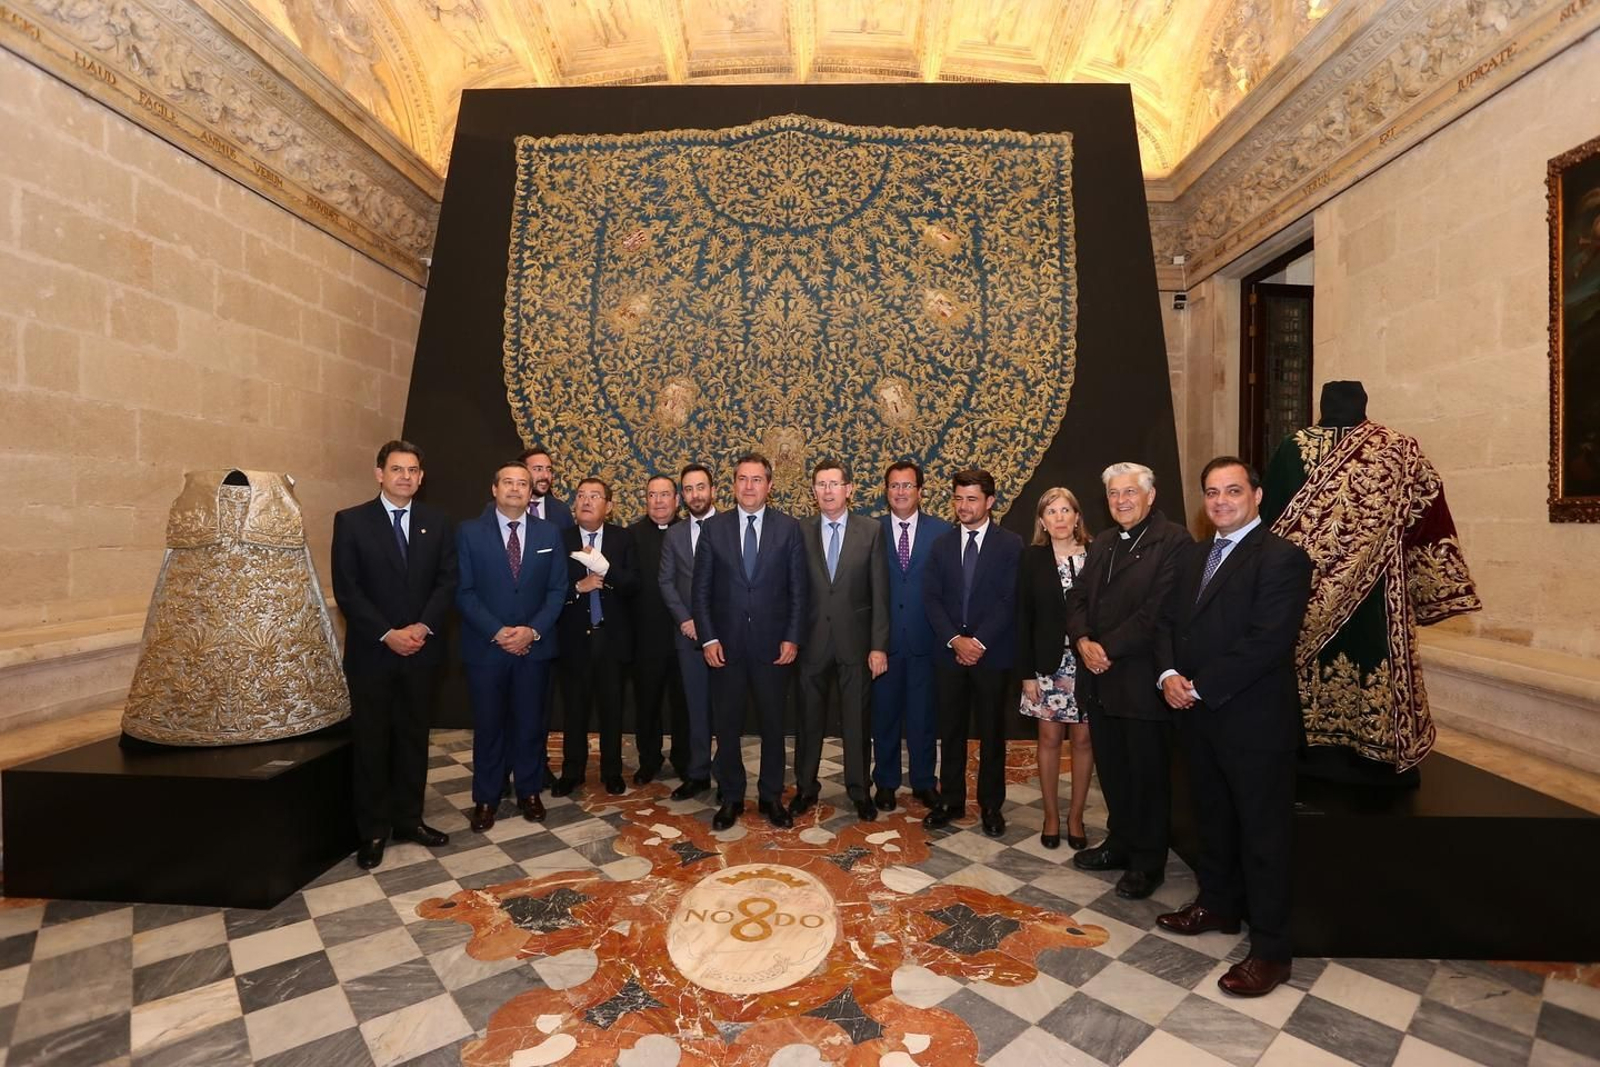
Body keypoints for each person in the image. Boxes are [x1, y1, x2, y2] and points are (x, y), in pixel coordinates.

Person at [1262, 381, 1480, 780]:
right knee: (1374, 656)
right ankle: (1376, 745)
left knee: (1302, 664)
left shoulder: (1292, 447)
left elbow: (1271, 520)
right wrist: (1436, 586)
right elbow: (1429, 518)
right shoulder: (1401, 448)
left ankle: (1309, 747)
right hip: (1380, 591)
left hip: (1304, 592)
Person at [1155, 456, 1312, 998]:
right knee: (1213, 821)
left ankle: (1271, 951)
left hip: (1253, 722)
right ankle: (1218, 905)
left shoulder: (1282, 558)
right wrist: (1168, 674)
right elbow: (1168, 623)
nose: (1221, 501)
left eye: (1233, 491)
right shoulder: (1194, 555)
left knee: (1263, 836)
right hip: (1197, 718)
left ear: (1257, 495)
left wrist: (1199, 685)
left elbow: (1267, 642)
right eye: (1212, 492)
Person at [1065, 462, 1192, 899]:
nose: (1120, 501)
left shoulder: (1173, 541)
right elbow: (1077, 597)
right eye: (1114, 494)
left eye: (1130, 492)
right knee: (1114, 771)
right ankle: (1119, 843)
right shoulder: (1103, 541)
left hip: (1141, 681)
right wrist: (1082, 639)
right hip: (1100, 681)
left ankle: (1147, 862)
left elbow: (1157, 612)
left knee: (1146, 776)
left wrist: (1105, 648)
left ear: (1150, 496)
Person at [332, 441, 458, 869]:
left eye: (413, 470)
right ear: (379, 474)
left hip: (422, 651)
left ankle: (408, 819)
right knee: (372, 743)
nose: (405, 477)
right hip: (373, 653)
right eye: (397, 469)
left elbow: (447, 581)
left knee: (412, 739)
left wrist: (421, 628)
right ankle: (372, 830)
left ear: (421, 477)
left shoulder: (437, 522)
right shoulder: (351, 521)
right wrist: (388, 634)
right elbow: (348, 589)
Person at [691, 453, 807, 830]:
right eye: (742, 479)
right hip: (725, 647)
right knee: (727, 727)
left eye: (757, 479)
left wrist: (792, 637)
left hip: (774, 648)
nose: (749, 486)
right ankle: (732, 796)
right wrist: (708, 638)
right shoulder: (714, 529)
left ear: (769, 486)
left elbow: (798, 591)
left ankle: (771, 796)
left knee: (773, 725)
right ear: (733, 484)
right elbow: (700, 591)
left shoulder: (789, 529)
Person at [455, 461, 567, 832]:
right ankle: (486, 798)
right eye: (508, 482)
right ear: (494, 489)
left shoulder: (549, 533)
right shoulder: (469, 532)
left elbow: (557, 590)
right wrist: (498, 631)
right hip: (486, 648)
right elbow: (464, 591)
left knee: (531, 724)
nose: (516, 489)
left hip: (534, 649)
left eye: (523, 483)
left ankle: (530, 792)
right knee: (489, 726)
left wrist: (531, 632)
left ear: (531, 491)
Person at [921, 469, 1024, 838]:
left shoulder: (1010, 545)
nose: (963, 506)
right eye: (958, 498)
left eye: (971, 499)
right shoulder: (941, 545)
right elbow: (931, 598)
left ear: (990, 501)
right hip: (949, 655)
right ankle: (951, 800)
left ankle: (991, 806)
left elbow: (1009, 600)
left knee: (992, 733)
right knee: (950, 730)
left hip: (991, 656)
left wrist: (978, 642)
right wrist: (955, 639)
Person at [794, 460, 889, 822]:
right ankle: (805, 788)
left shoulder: (871, 531)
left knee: (856, 722)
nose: (828, 491)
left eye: (834, 484)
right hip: (812, 641)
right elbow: (793, 591)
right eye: (821, 484)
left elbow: (880, 592)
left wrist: (878, 645)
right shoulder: (800, 531)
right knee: (808, 721)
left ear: (849, 489)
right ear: (813, 491)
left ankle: (859, 790)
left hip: (855, 642)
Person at [1016, 487, 1094, 850]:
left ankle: (1075, 817)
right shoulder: (1031, 559)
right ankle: (1050, 815)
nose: (1059, 517)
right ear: (1042, 522)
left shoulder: (1098, 553)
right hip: (1046, 666)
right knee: (1048, 739)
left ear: (1077, 516)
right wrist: (1026, 673)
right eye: (1051, 512)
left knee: (1083, 740)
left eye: (1065, 510)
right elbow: (1022, 618)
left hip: (1088, 664)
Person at [872, 461, 951, 812]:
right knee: (884, 717)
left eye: (907, 485)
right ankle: (886, 782)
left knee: (924, 718)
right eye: (894, 486)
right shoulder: (871, 531)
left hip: (926, 641)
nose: (900, 492)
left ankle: (923, 781)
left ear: (920, 491)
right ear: (886, 491)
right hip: (884, 644)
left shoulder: (942, 532)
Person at [552, 478, 639, 796]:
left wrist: (606, 571)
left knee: (612, 709)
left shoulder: (622, 538)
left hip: (611, 639)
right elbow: (548, 588)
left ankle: (611, 771)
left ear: (609, 506)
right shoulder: (560, 539)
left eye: (594, 496)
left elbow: (634, 584)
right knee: (574, 709)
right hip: (573, 638)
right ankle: (572, 771)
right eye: (581, 496)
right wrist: (579, 587)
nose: (586, 501)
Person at [658, 463, 717, 801]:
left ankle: (728, 775)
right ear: (682, 496)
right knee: (696, 709)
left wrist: (710, 623)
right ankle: (698, 773)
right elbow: (666, 582)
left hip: (725, 635)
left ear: (713, 491)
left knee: (726, 710)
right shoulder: (675, 534)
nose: (696, 495)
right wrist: (686, 619)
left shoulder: (729, 526)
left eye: (701, 487)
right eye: (689, 489)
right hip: (688, 636)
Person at [628, 474, 685, 785]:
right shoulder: (632, 536)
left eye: (665, 495)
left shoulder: (690, 532)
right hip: (646, 637)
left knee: (684, 704)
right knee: (647, 704)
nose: (659, 501)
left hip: (684, 636)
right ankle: (648, 760)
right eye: (652, 495)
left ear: (676, 500)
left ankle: (684, 760)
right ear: (646, 499)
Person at [522, 446, 574, 529]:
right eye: (538, 469)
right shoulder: (509, 506)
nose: (546, 475)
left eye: (549, 469)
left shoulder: (561, 510)